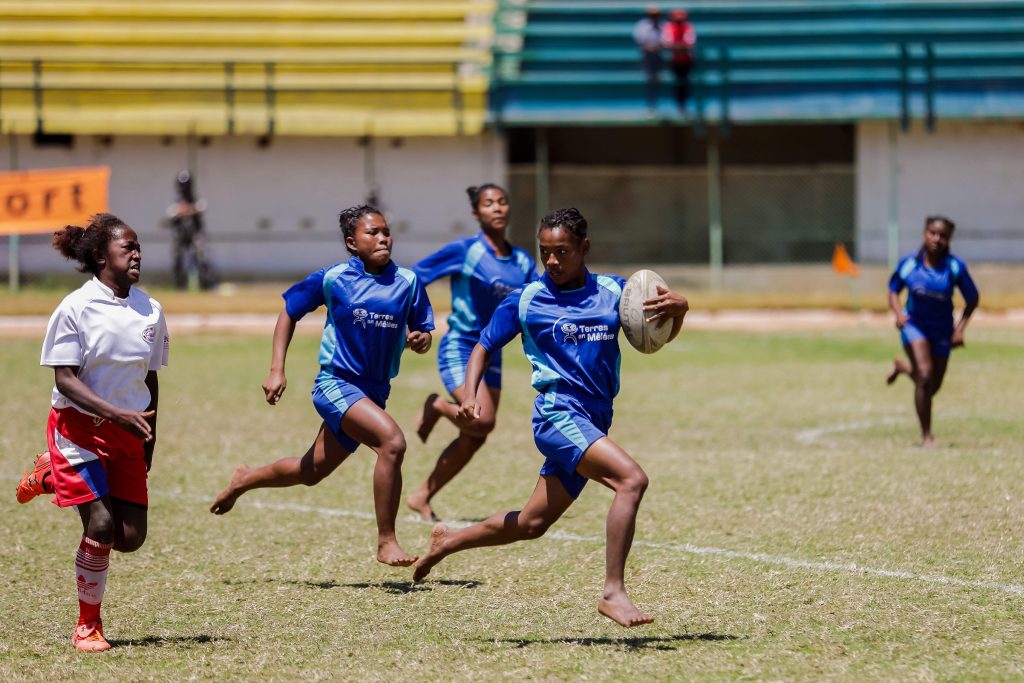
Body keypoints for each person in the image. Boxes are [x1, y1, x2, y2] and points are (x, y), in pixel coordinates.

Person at [413, 208, 689, 628]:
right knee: (631, 480)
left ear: (584, 248)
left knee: (531, 523)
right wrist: (470, 393)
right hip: (558, 414)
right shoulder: (526, 299)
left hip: (593, 420)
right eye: (546, 253)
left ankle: (448, 541)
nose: (553, 262)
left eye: (562, 251)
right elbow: (483, 346)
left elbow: (653, 339)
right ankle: (613, 593)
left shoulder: (617, 293)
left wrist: (679, 311)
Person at [210, 205, 434, 567]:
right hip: (336, 384)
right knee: (392, 443)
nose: (382, 238)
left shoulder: (407, 282)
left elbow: (420, 330)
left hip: (375, 392)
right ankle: (386, 541)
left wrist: (420, 338)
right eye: (372, 233)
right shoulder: (334, 278)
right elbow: (289, 312)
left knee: (310, 471)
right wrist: (276, 369)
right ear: (351, 242)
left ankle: (245, 479)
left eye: (386, 231)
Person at [16, 213, 169, 651]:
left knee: (130, 539)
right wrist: (116, 414)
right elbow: (65, 379)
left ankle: (48, 476)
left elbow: (150, 378)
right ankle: (88, 625)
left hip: (128, 434)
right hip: (77, 429)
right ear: (102, 256)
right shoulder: (75, 307)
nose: (137, 253)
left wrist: (148, 438)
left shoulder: (151, 309)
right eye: (128, 247)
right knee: (100, 526)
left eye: (140, 246)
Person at [406, 184, 538, 522]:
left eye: (503, 202)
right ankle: (436, 405)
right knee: (483, 419)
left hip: (492, 353)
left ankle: (422, 496)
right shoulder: (465, 251)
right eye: (488, 203)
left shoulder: (523, 260)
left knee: (475, 435)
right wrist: (415, 322)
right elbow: (412, 278)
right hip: (461, 346)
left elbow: (535, 301)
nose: (497, 208)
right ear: (476, 214)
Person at [886, 215, 979, 446]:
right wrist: (898, 314)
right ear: (924, 234)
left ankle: (903, 368)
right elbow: (893, 289)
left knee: (931, 386)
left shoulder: (954, 267)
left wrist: (959, 330)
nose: (936, 239)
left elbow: (973, 299)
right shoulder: (910, 264)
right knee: (925, 375)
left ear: (949, 239)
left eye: (943, 236)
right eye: (932, 233)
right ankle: (927, 436)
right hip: (914, 326)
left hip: (942, 331)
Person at [166, 170, 216, 290]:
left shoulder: (195, 199)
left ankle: (206, 284)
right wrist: (182, 211)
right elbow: (171, 213)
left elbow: (202, 207)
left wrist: (187, 209)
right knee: (178, 257)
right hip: (180, 234)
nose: (184, 188)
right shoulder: (177, 201)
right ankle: (179, 285)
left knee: (201, 257)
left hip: (195, 234)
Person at [662, 9, 697, 114]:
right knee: (677, 83)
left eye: (681, 20)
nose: (679, 22)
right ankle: (678, 105)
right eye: (677, 20)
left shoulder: (689, 27)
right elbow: (667, 42)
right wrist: (679, 46)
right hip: (674, 60)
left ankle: (684, 106)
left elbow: (690, 42)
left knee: (685, 83)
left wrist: (678, 46)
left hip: (687, 60)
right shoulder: (668, 27)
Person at [633, 5, 665, 114]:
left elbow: (666, 40)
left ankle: (658, 105)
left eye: (656, 15)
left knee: (659, 80)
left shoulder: (662, 25)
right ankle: (650, 106)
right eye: (653, 15)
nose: (655, 17)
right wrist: (650, 48)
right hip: (647, 56)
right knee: (650, 80)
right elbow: (640, 41)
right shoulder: (642, 26)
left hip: (660, 56)